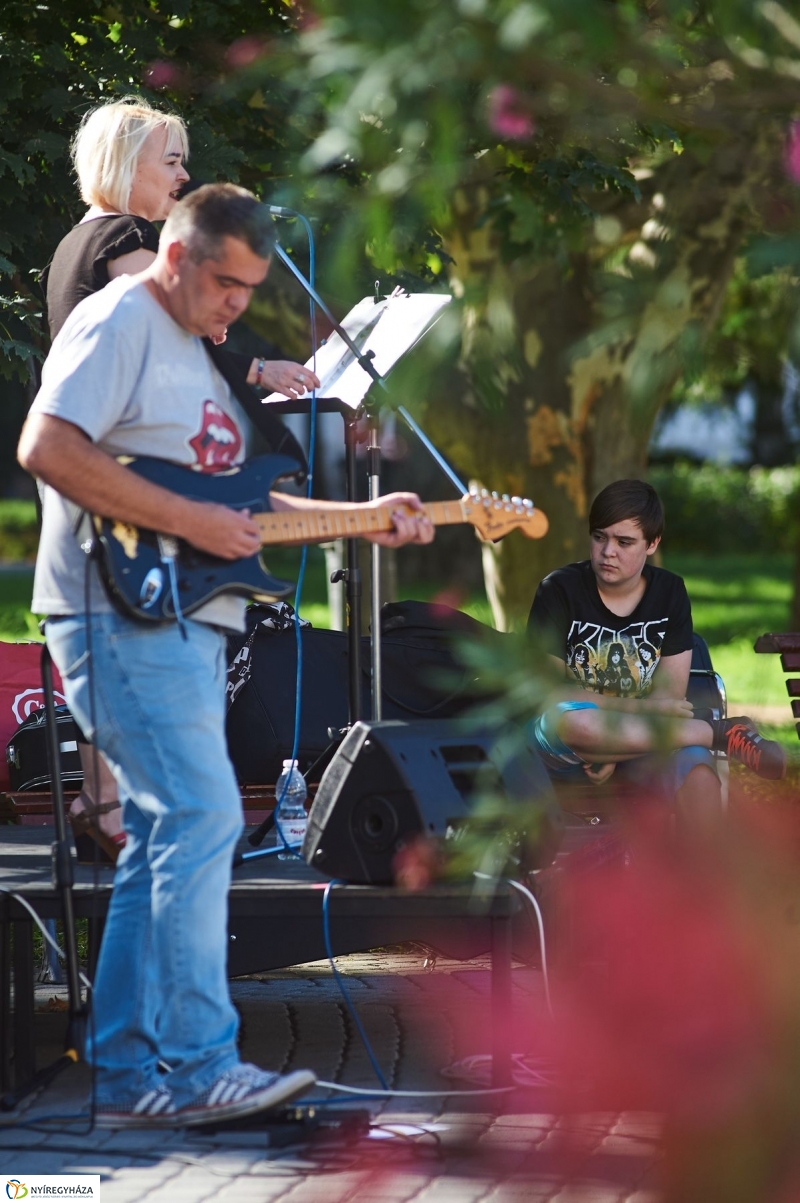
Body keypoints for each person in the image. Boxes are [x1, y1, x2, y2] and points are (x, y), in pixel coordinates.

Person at [18, 183, 435, 1128]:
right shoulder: (116, 318)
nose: (237, 305)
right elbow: (45, 444)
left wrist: (370, 519)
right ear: (175, 256)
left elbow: (248, 507)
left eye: (251, 290)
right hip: (114, 609)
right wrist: (183, 515)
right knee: (205, 814)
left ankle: (127, 1078)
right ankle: (205, 1063)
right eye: (226, 285)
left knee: (163, 838)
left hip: (185, 619)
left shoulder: (201, 360)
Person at [44, 96, 321, 858]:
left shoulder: (77, 244)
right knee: (196, 814)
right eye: (169, 158)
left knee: (174, 820)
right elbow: (185, 326)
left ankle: (107, 806)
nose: (183, 172)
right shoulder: (122, 246)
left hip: (120, 545)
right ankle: (106, 807)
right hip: (134, 554)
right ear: (121, 164)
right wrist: (257, 362)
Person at [527, 479, 785, 821]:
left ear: (653, 543)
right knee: (573, 720)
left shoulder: (670, 593)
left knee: (697, 772)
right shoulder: (558, 590)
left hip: (643, 742)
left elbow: (670, 703)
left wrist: (614, 753)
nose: (608, 552)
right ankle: (718, 732)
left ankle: (703, 872)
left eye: (624, 542)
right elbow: (548, 694)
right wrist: (639, 713)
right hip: (564, 744)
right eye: (599, 537)